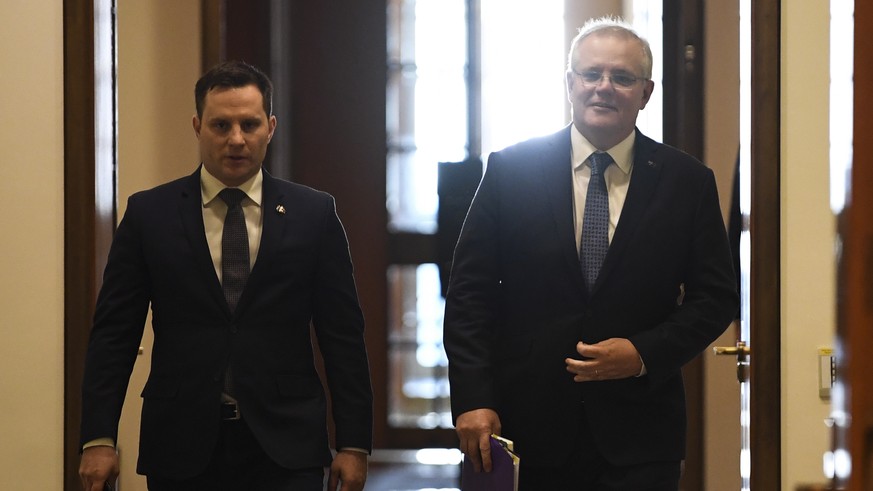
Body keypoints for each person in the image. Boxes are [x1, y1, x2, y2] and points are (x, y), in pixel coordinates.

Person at [443, 17, 738, 490]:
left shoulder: (687, 182)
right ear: (569, 84)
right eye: (591, 74)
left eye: (622, 78)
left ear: (646, 92)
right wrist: (473, 398)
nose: (604, 88)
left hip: (641, 434)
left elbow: (716, 297)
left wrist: (643, 352)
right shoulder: (511, 170)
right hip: (526, 426)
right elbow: (468, 296)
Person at [78, 60, 373, 491]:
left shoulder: (314, 214)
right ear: (198, 127)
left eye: (249, 124)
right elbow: (114, 334)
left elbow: (342, 334)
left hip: (286, 444)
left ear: (270, 127)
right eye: (221, 125)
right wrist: (98, 438)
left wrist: (354, 443)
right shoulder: (149, 215)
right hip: (181, 442)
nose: (236, 139)